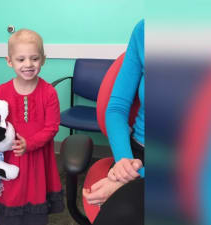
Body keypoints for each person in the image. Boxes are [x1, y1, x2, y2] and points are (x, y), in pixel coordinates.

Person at [0, 29, 64, 225]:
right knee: (11, 204)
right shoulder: (2, 90)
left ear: (43, 59)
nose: (28, 64)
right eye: (21, 59)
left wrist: (29, 143)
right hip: (11, 159)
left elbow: (52, 127)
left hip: (37, 159)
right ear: (10, 61)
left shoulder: (49, 92)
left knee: (35, 205)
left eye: (34, 58)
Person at [82, 19, 145, 225]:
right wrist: (124, 164)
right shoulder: (144, 30)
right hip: (137, 155)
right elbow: (117, 108)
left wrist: (127, 180)